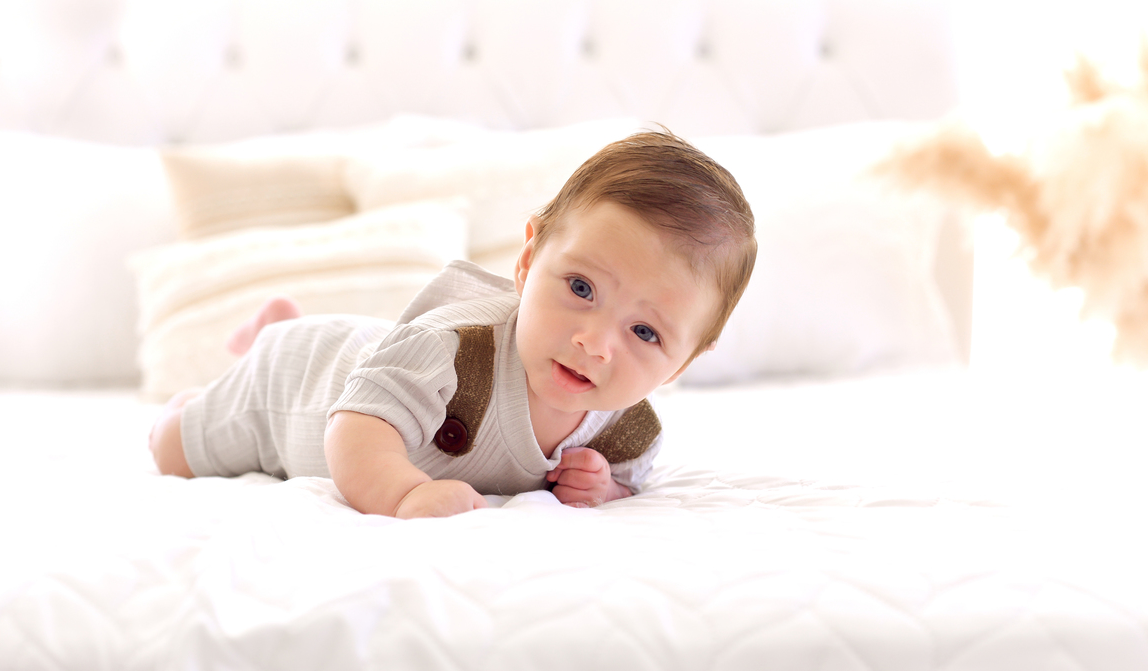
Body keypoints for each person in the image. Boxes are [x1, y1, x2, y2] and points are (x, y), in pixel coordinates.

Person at [148, 130, 756, 518]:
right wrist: (405, 493)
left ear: (681, 363)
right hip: (299, 384)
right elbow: (355, 427)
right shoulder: (453, 347)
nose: (594, 343)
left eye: (645, 333)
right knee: (172, 451)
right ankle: (256, 349)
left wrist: (604, 489)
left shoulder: (630, 431)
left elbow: (625, 483)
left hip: (377, 357)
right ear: (527, 261)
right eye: (580, 288)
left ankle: (276, 322)